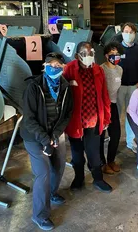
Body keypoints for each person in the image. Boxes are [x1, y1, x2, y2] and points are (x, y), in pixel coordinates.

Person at [20, 52, 73, 231]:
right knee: (43, 173)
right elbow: (28, 119)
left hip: (54, 134)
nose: (54, 67)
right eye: (51, 64)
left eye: (58, 65)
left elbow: (67, 115)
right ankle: (39, 215)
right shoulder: (33, 87)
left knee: (59, 166)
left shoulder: (66, 87)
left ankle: (51, 192)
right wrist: (45, 140)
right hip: (35, 137)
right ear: (44, 66)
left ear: (63, 68)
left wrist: (55, 135)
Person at [63, 42, 112, 193]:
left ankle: (98, 178)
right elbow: (62, 97)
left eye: (91, 53)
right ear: (77, 56)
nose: (88, 56)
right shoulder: (69, 69)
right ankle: (79, 178)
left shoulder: (98, 70)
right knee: (77, 154)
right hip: (75, 121)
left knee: (94, 153)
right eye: (84, 54)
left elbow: (104, 95)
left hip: (93, 120)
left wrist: (106, 118)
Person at [117, 22, 138, 153]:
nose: (128, 34)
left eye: (131, 32)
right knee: (116, 114)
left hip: (134, 86)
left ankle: (130, 141)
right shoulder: (116, 48)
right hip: (118, 87)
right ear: (122, 33)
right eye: (126, 31)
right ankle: (115, 139)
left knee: (132, 115)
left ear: (135, 34)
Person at [100, 42, 124, 174]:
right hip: (102, 106)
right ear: (106, 56)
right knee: (100, 135)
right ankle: (102, 163)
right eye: (112, 54)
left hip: (113, 105)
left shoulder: (120, 69)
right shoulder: (101, 69)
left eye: (117, 54)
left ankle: (111, 160)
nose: (115, 56)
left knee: (115, 135)